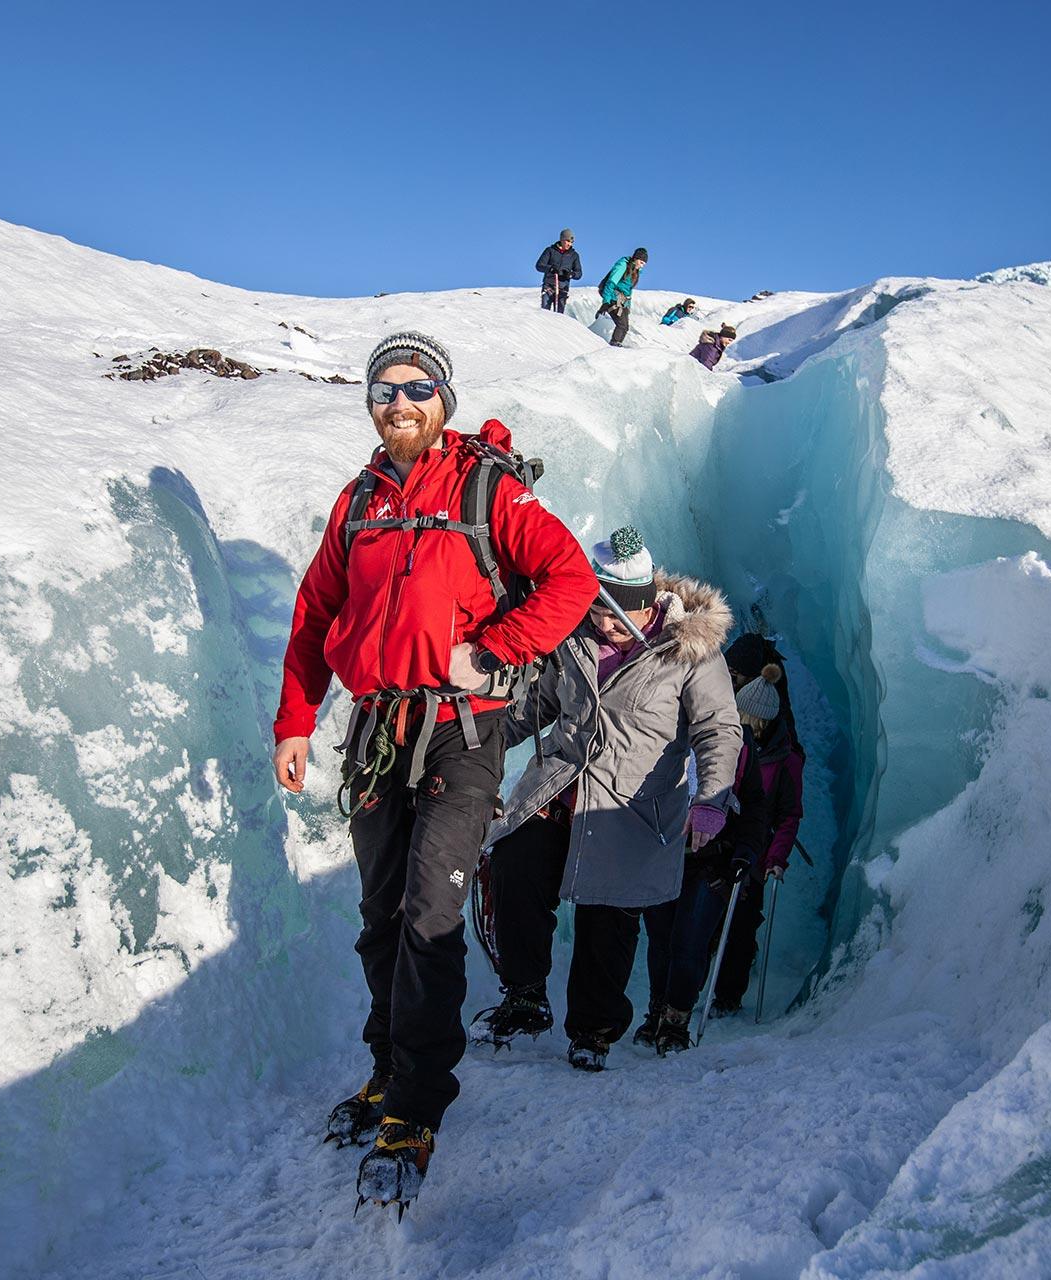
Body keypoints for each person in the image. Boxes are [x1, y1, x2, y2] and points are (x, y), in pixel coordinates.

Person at [272, 331, 597, 1211]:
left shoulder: (489, 488)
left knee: (429, 913)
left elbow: (568, 578)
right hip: (379, 729)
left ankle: (417, 1101)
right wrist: (296, 721)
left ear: (443, 399)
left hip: (462, 733)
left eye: (416, 387)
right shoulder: (360, 501)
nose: (400, 401)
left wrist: (497, 647)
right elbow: (314, 613)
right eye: (384, 389)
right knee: (381, 916)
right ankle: (387, 1068)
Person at [475, 524, 741, 1072]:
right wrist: (477, 745)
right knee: (514, 863)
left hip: (631, 808)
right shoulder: (576, 638)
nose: (603, 622)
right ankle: (525, 994)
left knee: (609, 919)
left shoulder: (690, 653)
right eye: (597, 607)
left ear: (647, 604)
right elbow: (538, 705)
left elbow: (719, 726)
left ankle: (593, 1030)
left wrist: (712, 798)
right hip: (561, 788)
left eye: (615, 612)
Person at [634, 706, 770, 1054]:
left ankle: (676, 1020)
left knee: (689, 942)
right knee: (662, 941)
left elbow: (754, 805)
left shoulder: (737, 744)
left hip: (713, 862)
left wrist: (746, 851)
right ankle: (659, 1012)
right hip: (661, 855)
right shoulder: (660, 732)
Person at [711, 655, 806, 1015]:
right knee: (708, 916)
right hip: (718, 840)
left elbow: (788, 814)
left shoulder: (785, 759)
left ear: (761, 721)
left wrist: (776, 859)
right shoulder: (727, 737)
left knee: (742, 924)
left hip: (754, 850)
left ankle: (728, 996)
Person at [596, 247, 648, 347]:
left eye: (644, 264)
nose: (642, 266)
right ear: (636, 258)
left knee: (625, 327)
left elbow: (628, 291)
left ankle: (617, 344)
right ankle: (614, 344)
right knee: (622, 325)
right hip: (613, 297)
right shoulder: (623, 265)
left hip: (623, 301)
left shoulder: (636, 272)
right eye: (641, 262)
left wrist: (628, 307)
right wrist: (606, 302)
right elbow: (611, 282)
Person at [536, 229, 582, 313]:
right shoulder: (550, 251)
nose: (569, 244)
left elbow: (579, 273)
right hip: (548, 287)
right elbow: (539, 266)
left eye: (571, 242)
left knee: (559, 315)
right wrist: (550, 269)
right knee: (545, 312)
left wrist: (571, 274)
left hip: (562, 289)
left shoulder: (574, 255)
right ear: (562, 239)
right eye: (567, 241)